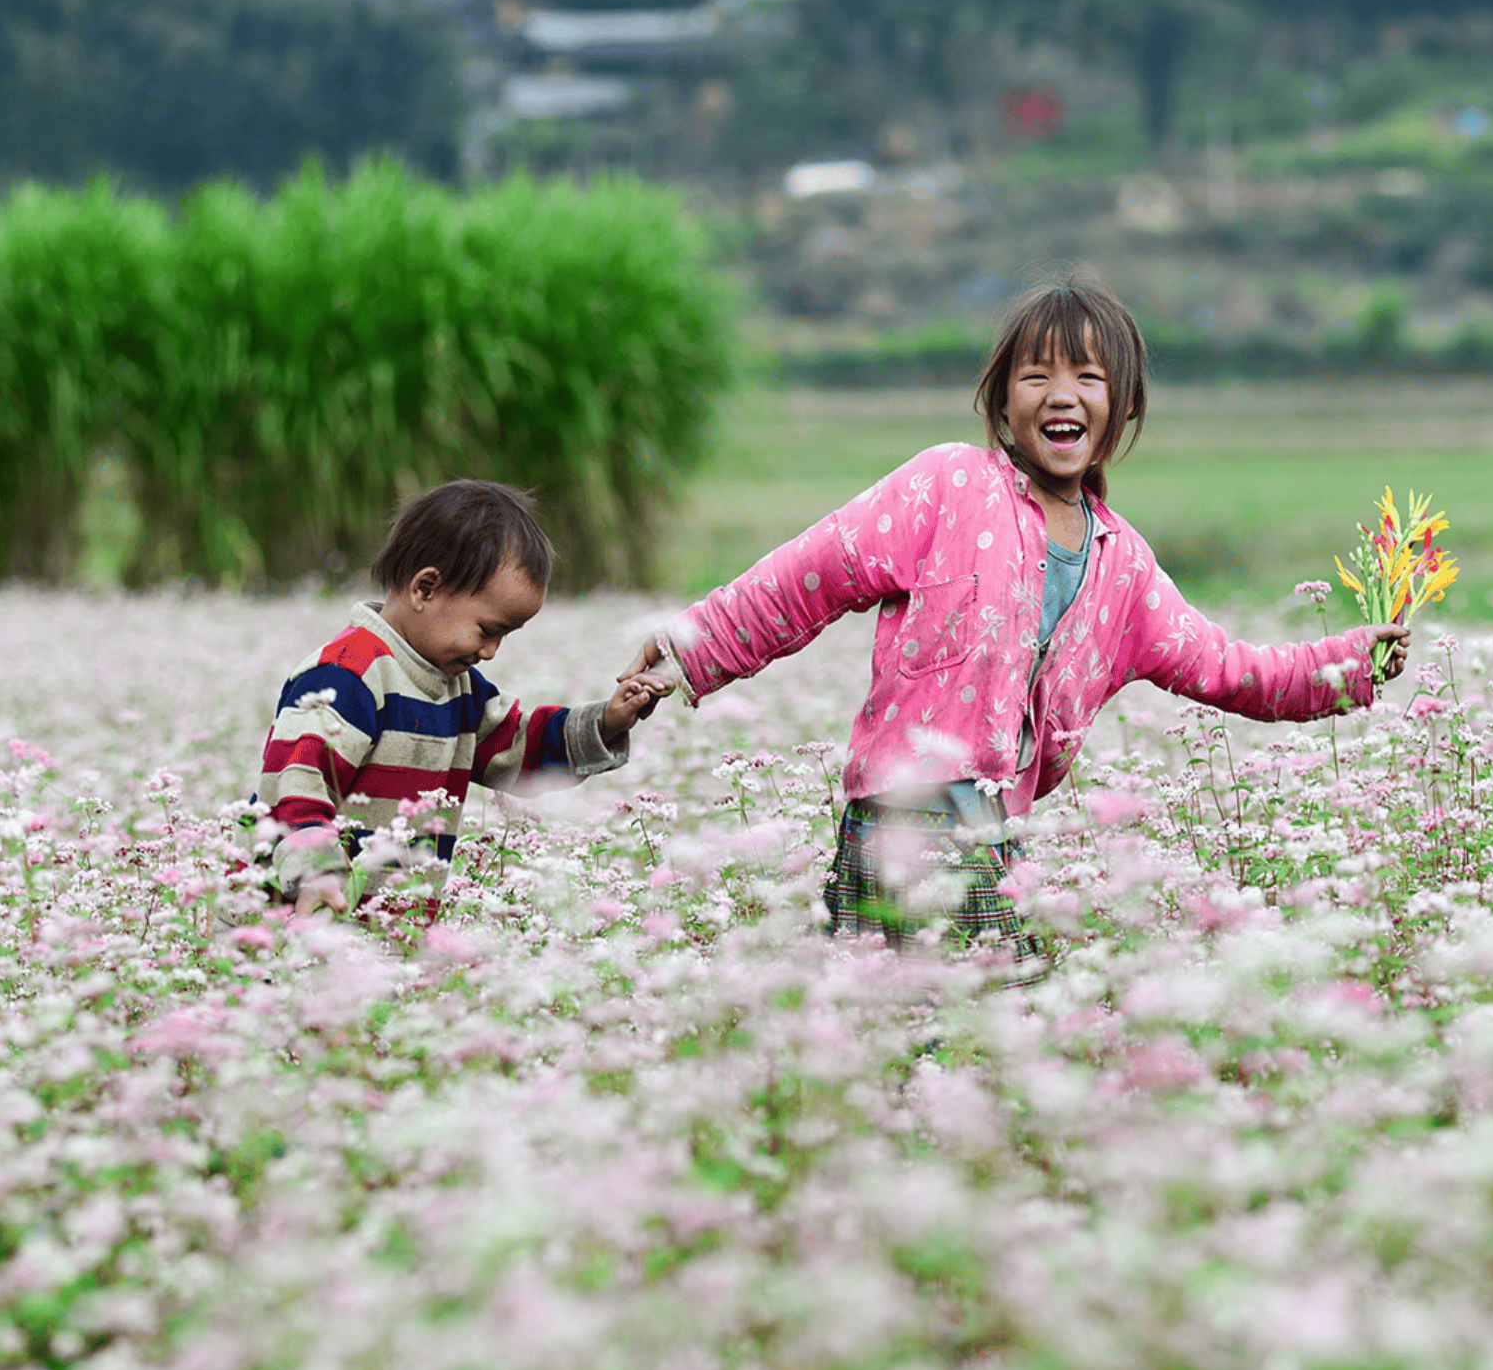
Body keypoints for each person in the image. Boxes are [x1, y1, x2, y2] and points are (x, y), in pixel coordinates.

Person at [620, 274, 1409, 967]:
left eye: (1089, 377)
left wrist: (1348, 665)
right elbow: (805, 576)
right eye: (1036, 375)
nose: (1061, 394)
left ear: (1124, 405)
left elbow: (1228, 668)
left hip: (994, 832)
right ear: (1002, 400)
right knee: (928, 1036)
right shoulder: (947, 485)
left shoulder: (1124, 568)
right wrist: (690, 650)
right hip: (901, 816)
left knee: (956, 1044)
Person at [256, 480, 664, 917]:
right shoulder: (348, 674)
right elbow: (296, 780)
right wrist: (317, 872)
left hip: (387, 939)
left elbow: (521, 747)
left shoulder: (459, 690)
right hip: (294, 930)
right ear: (425, 589)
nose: (490, 652)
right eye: (487, 630)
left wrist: (605, 723)